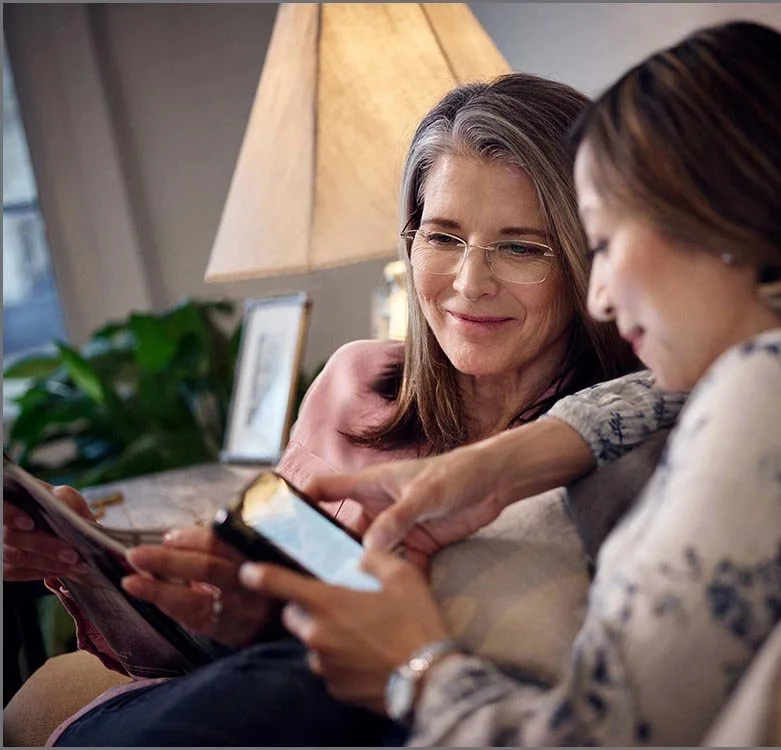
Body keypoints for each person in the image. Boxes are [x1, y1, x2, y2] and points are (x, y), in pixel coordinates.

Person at [227, 20, 781, 746]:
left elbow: (597, 733)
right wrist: (512, 459)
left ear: (725, 227)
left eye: (604, 244)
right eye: (442, 235)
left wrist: (412, 668)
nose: (602, 296)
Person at [5, 74, 686, 746]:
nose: (470, 283)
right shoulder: (354, 382)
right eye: (443, 237)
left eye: (521, 247)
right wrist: (93, 571)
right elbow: (254, 634)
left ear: (586, 260)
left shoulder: (621, 444)